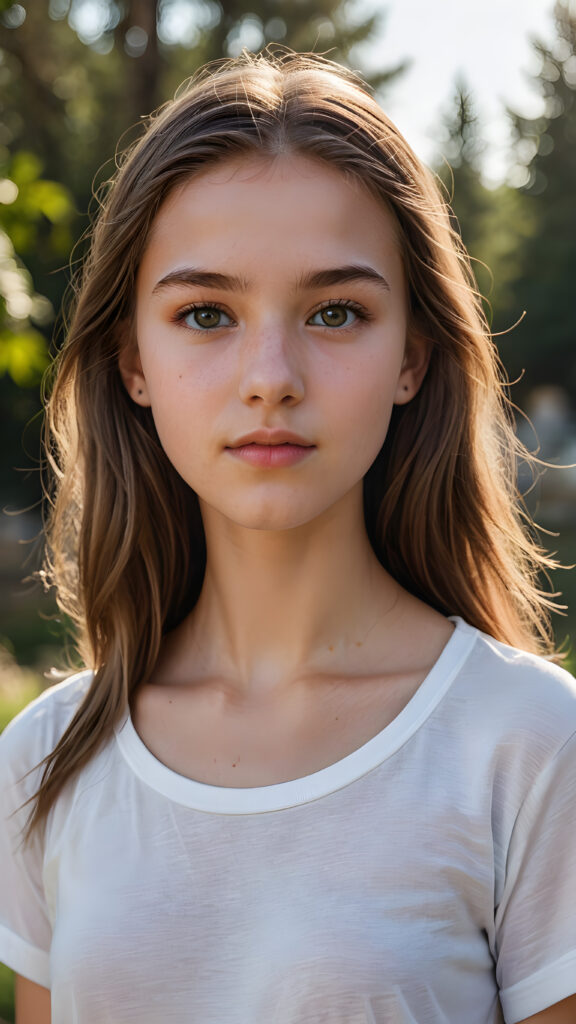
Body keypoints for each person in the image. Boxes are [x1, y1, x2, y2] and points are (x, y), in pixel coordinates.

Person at [1, 48, 575, 1024]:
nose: (271, 374)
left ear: (412, 358)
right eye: (207, 312)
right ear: (133, 361)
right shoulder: (48, 762)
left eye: (337, 311)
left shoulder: (527, 745)